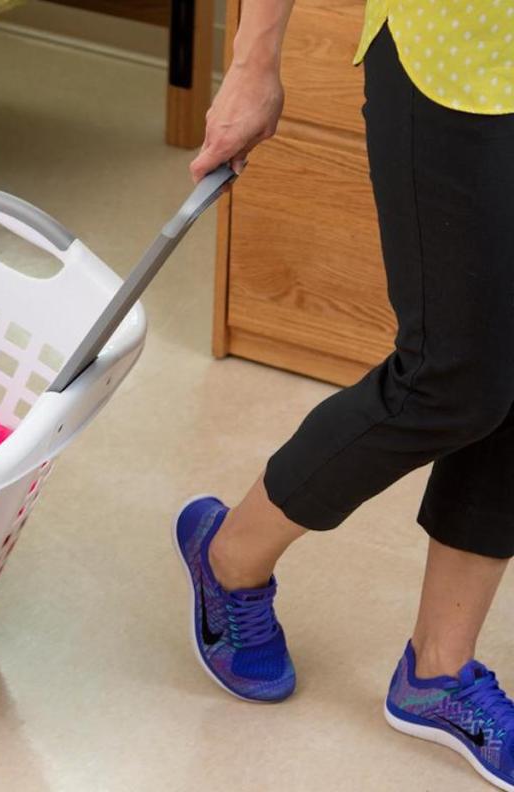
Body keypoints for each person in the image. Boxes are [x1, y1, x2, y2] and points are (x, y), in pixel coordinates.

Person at [173, 1, 514, 788]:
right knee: (445, 381)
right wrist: (254, 62)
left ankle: (437, 672)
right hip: (454, 56)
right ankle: (229, 555)